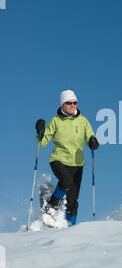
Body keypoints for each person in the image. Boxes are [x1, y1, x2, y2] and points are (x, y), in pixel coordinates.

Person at [35, 90, 99, 226]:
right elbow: (43, 142)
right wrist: (40, 131)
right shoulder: (56, 121)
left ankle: (70, 227)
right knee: (66, 181)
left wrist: (93, 141)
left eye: (74, 103)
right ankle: (51, 206)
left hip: (77, 163)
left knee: (73, 200)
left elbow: (90, 137)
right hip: (58, 159)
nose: (72, 105)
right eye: (69, 103)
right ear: (62, 104)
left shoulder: (83, 121)